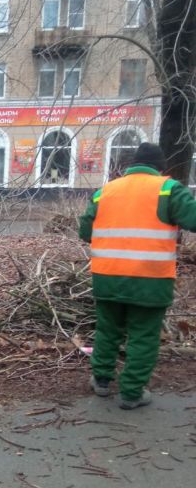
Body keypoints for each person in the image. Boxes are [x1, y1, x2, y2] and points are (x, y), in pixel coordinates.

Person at [79, 142, 196, 409]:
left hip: (107, 277)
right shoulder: (168, 189)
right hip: (150, 280)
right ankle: (132, 393)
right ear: (160, 168)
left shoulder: (105, 191)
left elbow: (86, 231)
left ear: (130, 166)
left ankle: (102, 381)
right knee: (143, 335)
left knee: (108, 330)